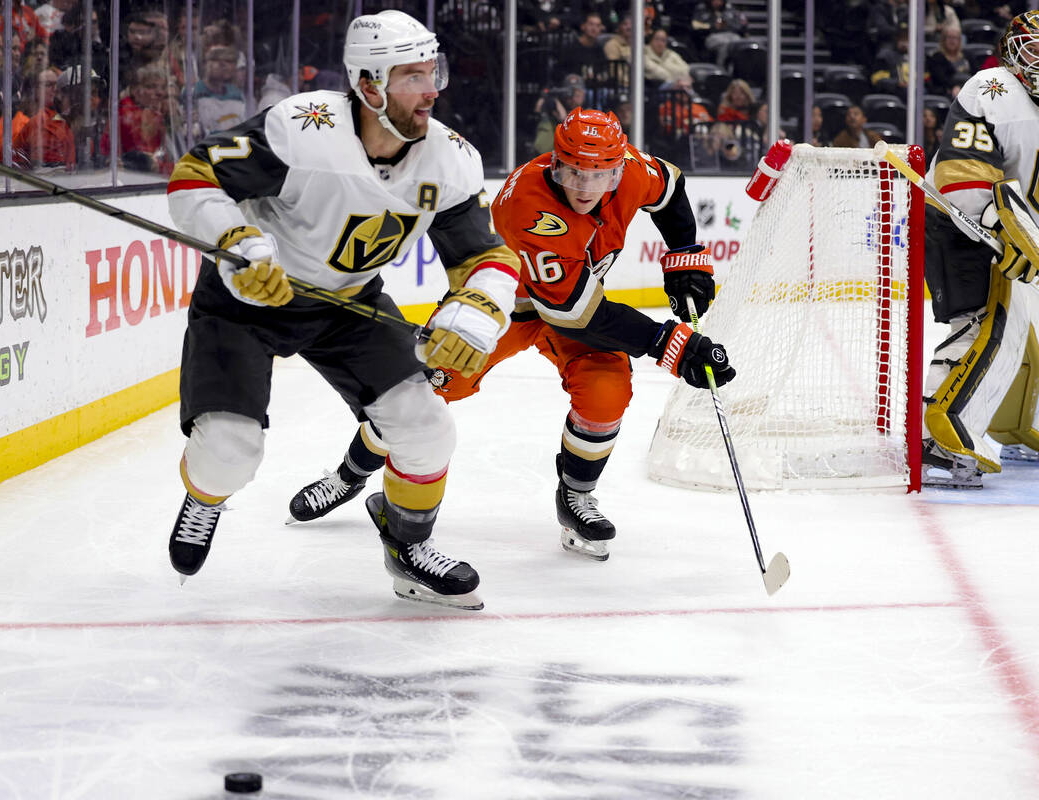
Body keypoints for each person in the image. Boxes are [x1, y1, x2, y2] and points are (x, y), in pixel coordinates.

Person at [163, 10, 522, 611]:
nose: (432, 86)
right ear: (370, 85)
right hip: (248, 299)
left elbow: (485, 255)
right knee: (228, 452)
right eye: (413, 75)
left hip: (348, 303)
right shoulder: (301, 128)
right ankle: (205, 498)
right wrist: (239, 245)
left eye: (433, 69)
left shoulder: (450, 160)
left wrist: (474, 313)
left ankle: (408, 547)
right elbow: (195, 176)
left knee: (427, 429)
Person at [287, 106, 736, 562]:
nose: (584, 187)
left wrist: (685, 254)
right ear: (556, 162)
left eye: (598, 176)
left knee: (606, 394)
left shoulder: (633, 171)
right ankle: (348, 475)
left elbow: (671, 188)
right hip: (500, 312)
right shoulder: (530, 206)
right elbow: (574, 312)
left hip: (576, 306)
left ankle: (576, 496)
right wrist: (672, 345)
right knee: (416, 396)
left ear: (620, 169)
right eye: (573, 172)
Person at [918, 11, 1039, 486]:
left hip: (1014, 235)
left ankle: (1018, 425)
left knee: (1023, 331)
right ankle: (936, 440)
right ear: (1012, 50)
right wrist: (1004, 227)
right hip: (959, 225)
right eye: (1035, 49)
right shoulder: (993, 87)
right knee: (985, 324)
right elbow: (961, 171)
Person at [191, 44, 246, 137]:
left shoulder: (236, 94)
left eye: (228, 61)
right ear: (205, 64)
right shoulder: (193, 93)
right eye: (217, 60)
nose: (224, 66)